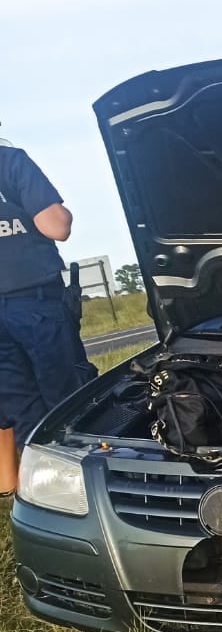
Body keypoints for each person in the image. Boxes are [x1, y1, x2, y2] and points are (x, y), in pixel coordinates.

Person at [0, 132, 98, 458]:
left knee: (21, 409)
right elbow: (58, 227)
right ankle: (88, 474)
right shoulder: (11, 162)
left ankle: (45, 490)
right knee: (69, 403)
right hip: (34, 303)